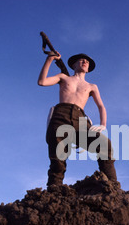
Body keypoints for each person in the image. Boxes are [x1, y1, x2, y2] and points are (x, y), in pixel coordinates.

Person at [38, 52, 117, 187]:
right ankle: (54, 190)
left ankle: (112, 186)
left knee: (104, 145)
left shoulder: (91, 86)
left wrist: (103, 124)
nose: (85, 62)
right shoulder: (63, 77)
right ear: (73, 65)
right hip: (60, 116)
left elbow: (101, 106)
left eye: (87, 61)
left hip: (80, 120)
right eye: (81, 60)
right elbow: (42, 82)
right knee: (58, 157)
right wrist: (49, 59)